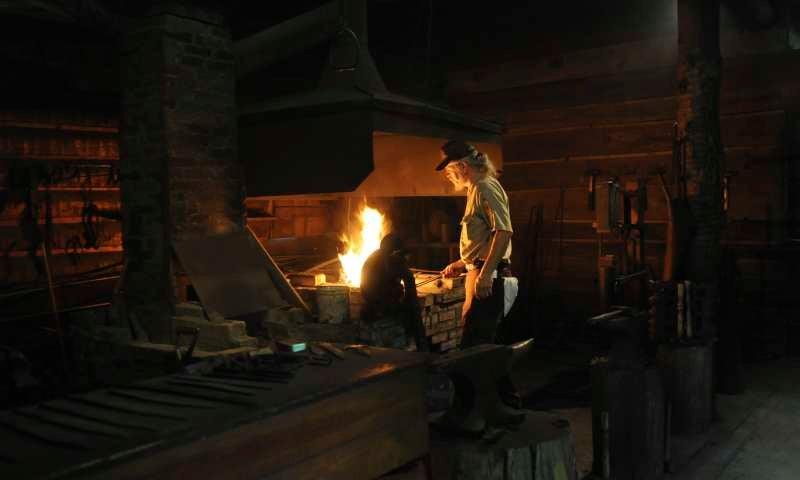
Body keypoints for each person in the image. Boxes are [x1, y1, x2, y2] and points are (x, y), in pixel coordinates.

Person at [438, 140, 520, 407]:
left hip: (490, 279)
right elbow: (484, 240)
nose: (448, 175)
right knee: (484, 349)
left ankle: (474, 411)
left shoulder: (485, 186)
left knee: (472, 353)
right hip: (482, 272)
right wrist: (462, 264)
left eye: (450, 169)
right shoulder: (475, 189)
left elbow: (503, 231)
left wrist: (485, 275)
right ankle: (504, 405)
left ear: (463, 166)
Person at [360, 233, 430, 352]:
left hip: (368, 314)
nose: (407, 259)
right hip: (385, 315)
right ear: (396, 252)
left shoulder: (373, 258)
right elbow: (412, 300)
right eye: (405, 256)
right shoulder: (395, 260)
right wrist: (421, 343)